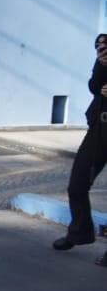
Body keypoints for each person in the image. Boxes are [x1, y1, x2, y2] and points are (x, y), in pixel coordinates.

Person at [53, 33, 107, 256]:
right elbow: (95, 86)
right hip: (101, 128)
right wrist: (103, 64)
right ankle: (80, 232)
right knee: (77, 184)